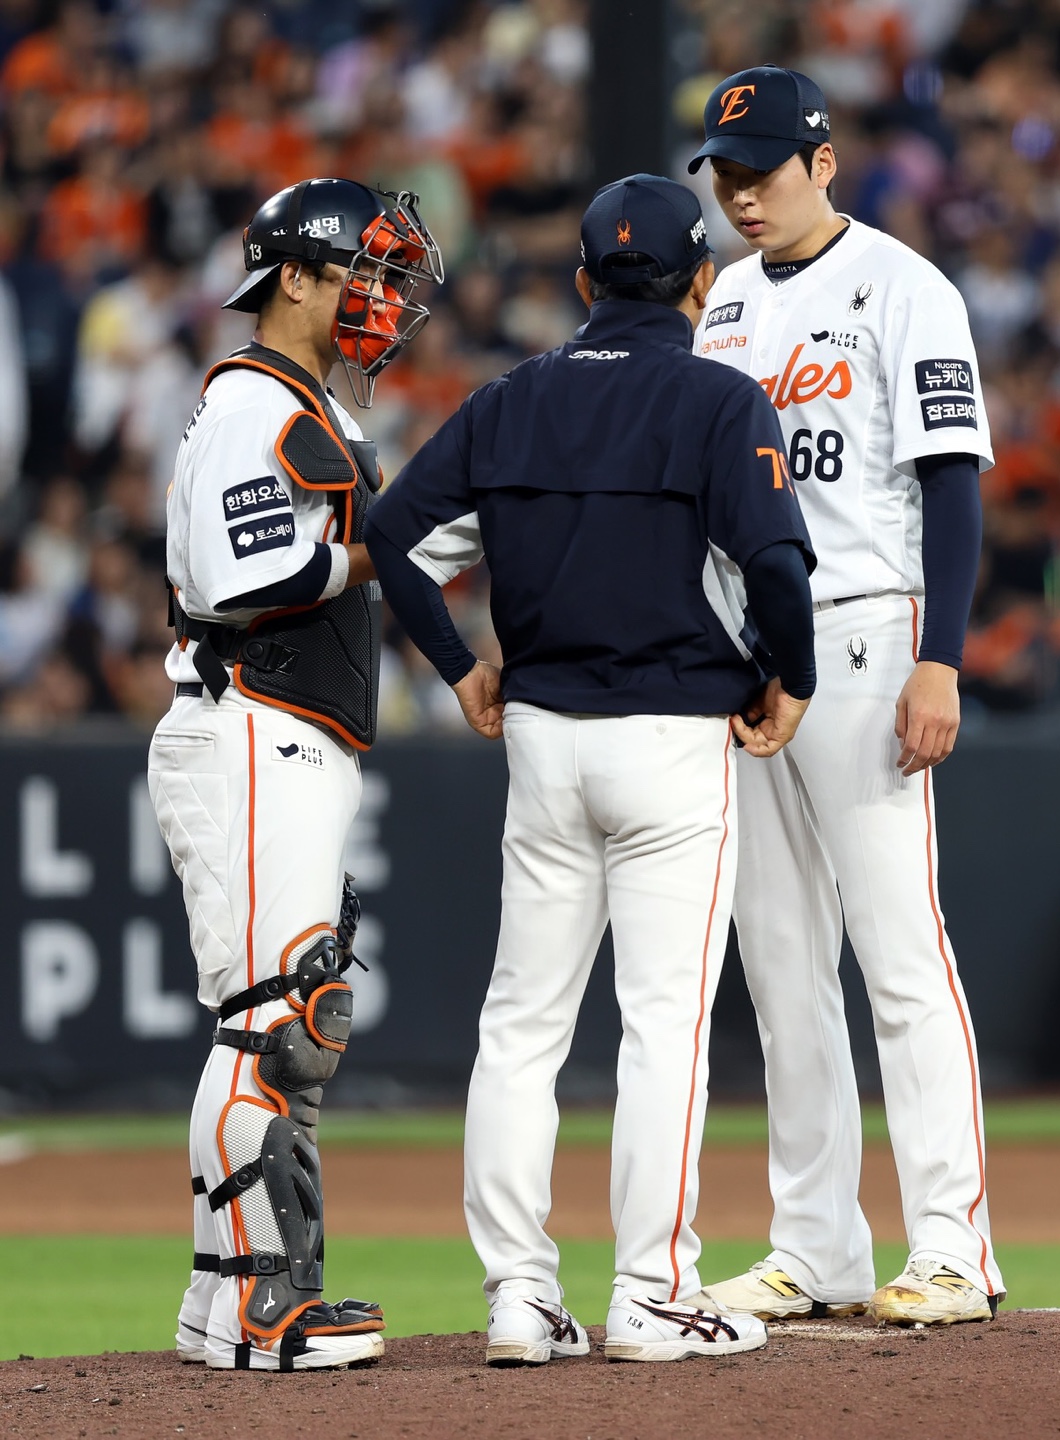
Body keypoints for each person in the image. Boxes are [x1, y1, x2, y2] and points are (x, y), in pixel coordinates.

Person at [365, 174, 818, 1366]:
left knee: (522, 1023)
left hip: (544, 740)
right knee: (663, 1025)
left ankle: (519, 1295)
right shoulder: (720, 398)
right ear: (701, 282)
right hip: (671, 738)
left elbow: (390, 534)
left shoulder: (511, 397)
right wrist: (793, 677)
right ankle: (652, 1293)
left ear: (581, 282)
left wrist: (459, 666)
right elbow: (777, 567)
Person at [683, 67, 1004, 1326]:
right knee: (779, 961)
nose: (740, 193)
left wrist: (944, 656)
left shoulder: (905, 286)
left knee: (900, 950)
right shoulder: (721, 307)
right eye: (726, 173)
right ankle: (816, 1243)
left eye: (761, 168)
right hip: (751, 652)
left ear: (823, 162)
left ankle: (953, 1245)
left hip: (868, 631)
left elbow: (952, 482)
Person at [150, 177, 443, 1371]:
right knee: (279, 1022)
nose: (384, 299)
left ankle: (223, 1297)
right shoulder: (253, 402)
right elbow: (242, 579)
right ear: (300, 278)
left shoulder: (292, 397)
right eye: (365, 274)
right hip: (251, 716)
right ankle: (263, 1309)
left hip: (277, 726)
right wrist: (384, 548)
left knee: (287, 1020)